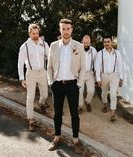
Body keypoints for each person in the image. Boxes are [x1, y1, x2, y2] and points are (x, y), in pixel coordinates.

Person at [47, 19, 85, 154]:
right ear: (60, 30)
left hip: (72, 85)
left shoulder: (79, 46)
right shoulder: (53, 46)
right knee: (57, 114)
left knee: (75, 114)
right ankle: (57, 138)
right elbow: (49, 66)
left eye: (68, 28)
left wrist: (79, 84)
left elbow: (83, 68)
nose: (66, 31)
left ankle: (76, 140)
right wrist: (51, 82)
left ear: (72, 30)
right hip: (57, 85)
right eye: (63, 29)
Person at [17, 24, 49, 131]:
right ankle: (31, 120)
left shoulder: (44, 44)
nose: (36, 35)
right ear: (29, 33)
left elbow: (49, 57)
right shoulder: (25, 46)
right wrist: (22, 78)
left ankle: (41, 103)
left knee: (45, 94)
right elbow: (20, 63)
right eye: (33, 33)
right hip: (30, 74)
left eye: (37, 33)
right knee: (30, 97)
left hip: (42, 72)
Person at [95, 36, 123, 122]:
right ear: (103, 43)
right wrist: (98, 79)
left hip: (114, 75)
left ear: (111, 42)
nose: (107, 43)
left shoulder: (117, 53)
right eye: (105, 42)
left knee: (113, 94)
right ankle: (104, 104)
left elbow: (120, 65)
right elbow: (97, 67)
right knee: (104, 93)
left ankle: (112, 114)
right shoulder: (100, 53)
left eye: (108, 42)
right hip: (104, 75)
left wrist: (121, 78)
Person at [78, 35, 97, 114]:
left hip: (89, 72)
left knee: (91, 91)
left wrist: (96, 75)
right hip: (80, 73)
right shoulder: (78, 49)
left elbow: (96, 63)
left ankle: (87, 102)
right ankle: (80, 106)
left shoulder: (93, 50)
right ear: (82, 41)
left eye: (88, 43)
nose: (86, 44)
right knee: (80, 91)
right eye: (84, 42)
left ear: (90, 43)